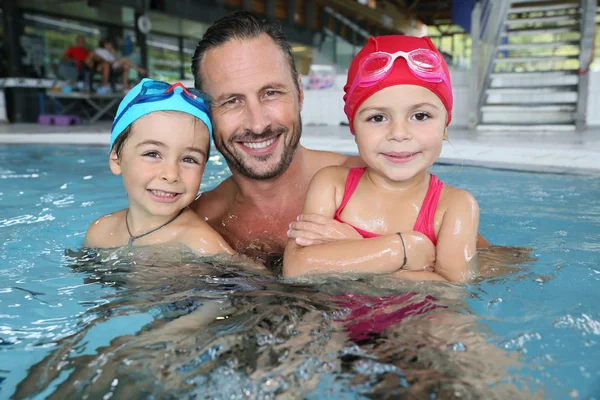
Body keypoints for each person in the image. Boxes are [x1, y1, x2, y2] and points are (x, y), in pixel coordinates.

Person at [190, 11, 490, 270]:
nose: (257, 124)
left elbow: (489, 269)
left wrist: (384, 250)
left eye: (271, 93)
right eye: (231, 101)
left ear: (299, 92)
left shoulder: (379, 179)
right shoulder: (202, 221)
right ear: (206, 110)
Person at [283, 35, 479, 282]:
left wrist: (353, 246)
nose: (399, 134)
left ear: (446, 126)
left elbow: (452, 291)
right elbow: (296, 269)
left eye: (420, 116)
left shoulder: (455, 206)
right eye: (377, 118)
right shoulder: (332, 185)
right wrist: (404, 250)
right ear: (354, 129)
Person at [83, 78, 233, 256]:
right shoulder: (100, 232)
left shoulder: (202, 244)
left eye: (189, 159)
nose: (171, 174)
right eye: (152, 154)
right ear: (117, 159)